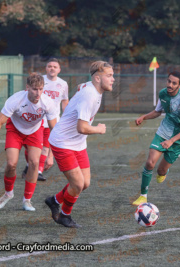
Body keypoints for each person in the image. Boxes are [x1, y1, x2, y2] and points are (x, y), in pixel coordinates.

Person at [45, 61, 114, 228]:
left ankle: (53, 201)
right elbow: (82, 127)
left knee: (85, 184)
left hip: (78, 143)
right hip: (63, 142)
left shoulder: (92, 87)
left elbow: (82, 85)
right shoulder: (90, 95)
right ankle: (65, 216)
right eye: (109, 76)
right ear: (98, 78)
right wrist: (98, 129)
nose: (113, 79)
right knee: (77, 184)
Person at [0, 73, 58, 211]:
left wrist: (51, 155)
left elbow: (55, 130)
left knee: (34, 163)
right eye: (35, 89)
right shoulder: (16, 100)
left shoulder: (48, 103)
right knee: (11, 164)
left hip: (35, 131)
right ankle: (8, 193)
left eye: (41, 89)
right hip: (15, 130)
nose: (38, 93)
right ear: (27, 87)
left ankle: (27, 200)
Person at [132, 71, 180, 206]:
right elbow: (157, 111)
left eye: (174, 83)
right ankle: (143, 196)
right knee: (150, 163)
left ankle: (163, 172)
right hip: (164, 131)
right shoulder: (163, 94)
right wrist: (144, 117)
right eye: (169, 81)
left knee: (161, 171)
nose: (170, 85)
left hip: (179, 139)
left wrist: (172, 141)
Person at [22, 58, 69, 181]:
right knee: (30, 147)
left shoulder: (63, 84)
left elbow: (64, 101)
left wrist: (67, 117)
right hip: (36, 119)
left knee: (45, 147)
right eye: (49, 66)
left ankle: (38, 172)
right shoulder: (39, 80)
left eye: (55, 66)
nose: (52, 68)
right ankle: (29, 165)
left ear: (59, 69)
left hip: (52, 120)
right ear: (46, 68)